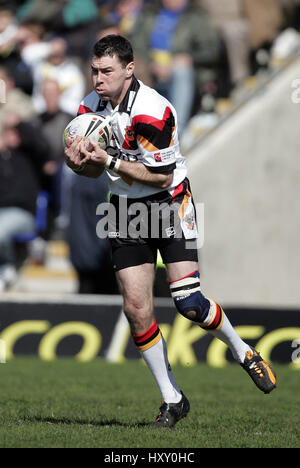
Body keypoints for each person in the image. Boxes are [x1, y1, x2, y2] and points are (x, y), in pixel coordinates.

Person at [64, 34, 277, 428]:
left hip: (168, 205)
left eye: (106, 71)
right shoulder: (89, 107)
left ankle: (243, 351)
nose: (97, 79)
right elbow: (97, 168)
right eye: (94, 70)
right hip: (124, 209)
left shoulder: (154, 111)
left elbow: (160, 177)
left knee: (189, 303)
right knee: (136, 309)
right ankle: (172, 399)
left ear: (130, 70)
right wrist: (82, 161)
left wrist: (106, 157)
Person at [0, 112, 56, 291]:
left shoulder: (29, 156)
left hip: (23, 214)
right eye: (7, 132)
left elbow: (42, 146)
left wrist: (21, 124)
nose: (11, 135)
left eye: (14, 132)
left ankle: (6, 267)